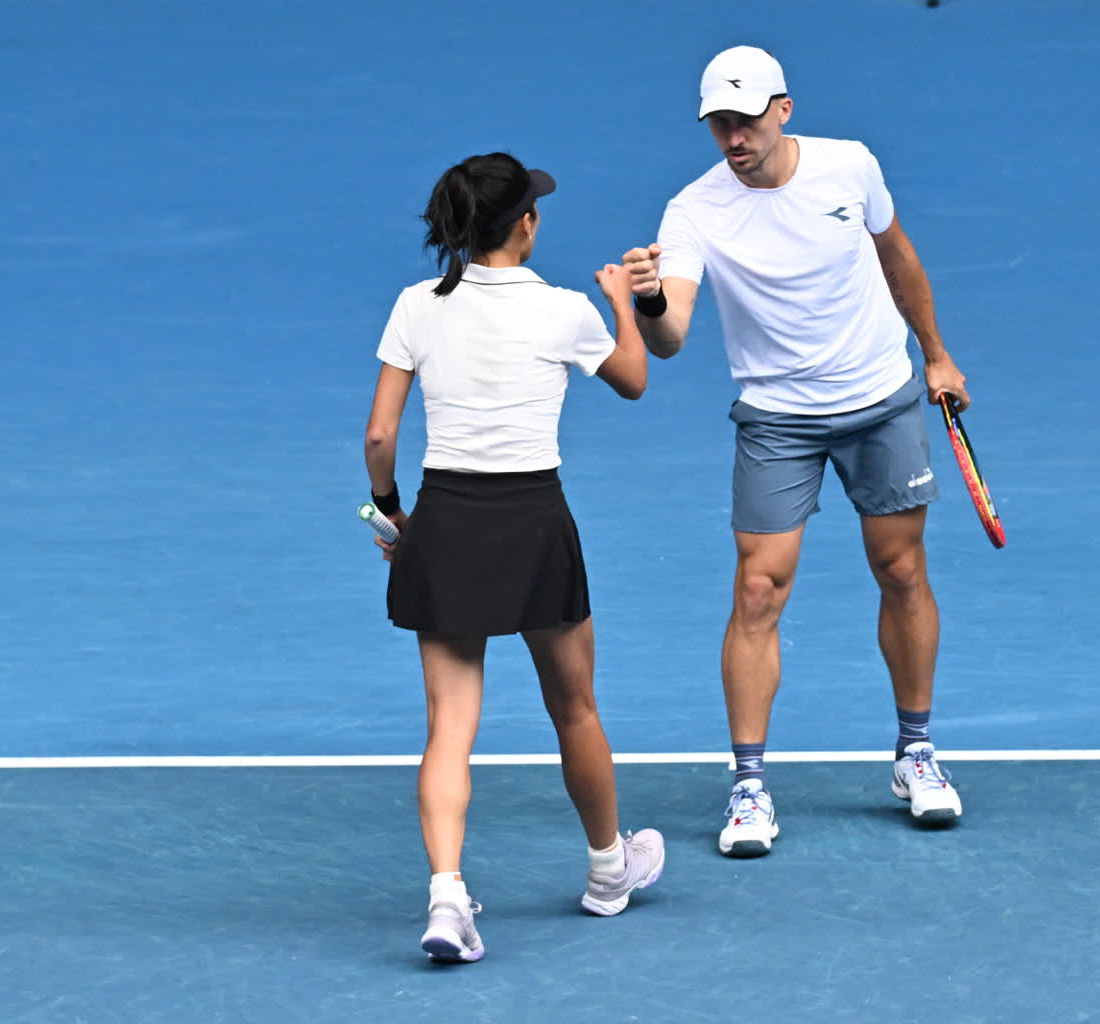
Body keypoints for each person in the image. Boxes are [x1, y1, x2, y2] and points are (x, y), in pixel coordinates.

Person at [621, 46, 969, 855]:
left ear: (782, 108)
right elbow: (670, 337)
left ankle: (915, 751)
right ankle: (748, 787)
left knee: (902, 570)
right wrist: (646, 303)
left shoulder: (849, 167)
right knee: (756, 591)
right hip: (777, 417)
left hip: (881, 397)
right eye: (719, 124)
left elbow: (897, 255)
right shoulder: (694, 211)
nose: (733, 137)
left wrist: (937, 353)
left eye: (744, 120)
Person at [363, 152, 665, 963]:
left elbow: (381, 437)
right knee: (575, 707)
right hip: (534, 524)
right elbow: (635, 379)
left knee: (449, 728)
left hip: (447, 525)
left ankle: (448, 899)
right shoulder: (566, 311)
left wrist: (392, 515)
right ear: (524, 223)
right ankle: (609, 873)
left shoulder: (415, 307)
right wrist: (621, 307)